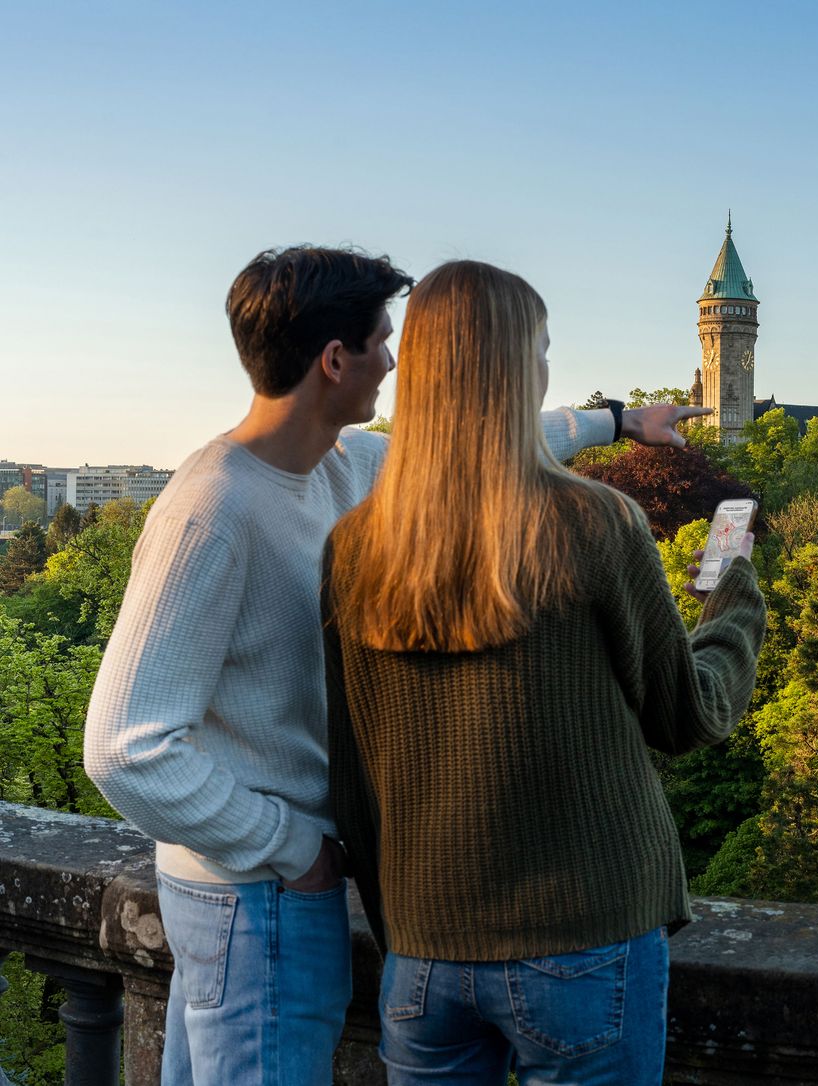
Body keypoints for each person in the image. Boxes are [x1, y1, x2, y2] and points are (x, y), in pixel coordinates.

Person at [83, 245, 707, 1085]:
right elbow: (124, 748)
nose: (396, 361)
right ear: (335, 361)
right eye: (383, 341)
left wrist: (621, 422)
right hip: (253, 893)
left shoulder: (345, 464)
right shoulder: (211, 509)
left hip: (297, 893)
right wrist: (294, 848)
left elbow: (480, 436)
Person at [322, 260, 764, 1083]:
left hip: (424, 949)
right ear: (520, 371)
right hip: (582, 936)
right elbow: (690, 715)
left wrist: (406, 930)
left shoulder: (354, 545)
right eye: (543, 350)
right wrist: (733, 598)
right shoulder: (594, 522)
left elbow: (352, 772)